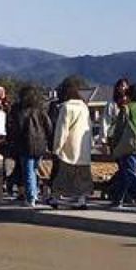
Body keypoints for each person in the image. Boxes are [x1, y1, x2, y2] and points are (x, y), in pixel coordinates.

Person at [49, 77, 93, 208]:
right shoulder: (84, 107)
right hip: (83, 147)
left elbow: (62, 130)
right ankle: (81, 199)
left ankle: (56, 197)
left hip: (69, 147)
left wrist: (57, 147)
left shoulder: (67, 107)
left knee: (63, 174)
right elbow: (89, 128)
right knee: (82, 176)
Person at [107, 83, 136, 207]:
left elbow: (119, 130)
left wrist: (113, 145)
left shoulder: (126, 109)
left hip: (126, 146)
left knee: (128, 172)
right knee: (125, 173)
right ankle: (117, 199)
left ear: (128, 95)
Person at [7, 84, 52, 207]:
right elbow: (48, 126)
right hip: (40, 144)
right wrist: (48, 140)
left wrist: (12, 141)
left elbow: (16, 128)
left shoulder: (19, 110)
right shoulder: (40, 109)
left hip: (25, 143)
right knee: (35, 169)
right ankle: (35, 193)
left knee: (28, 171)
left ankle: (31, 197)